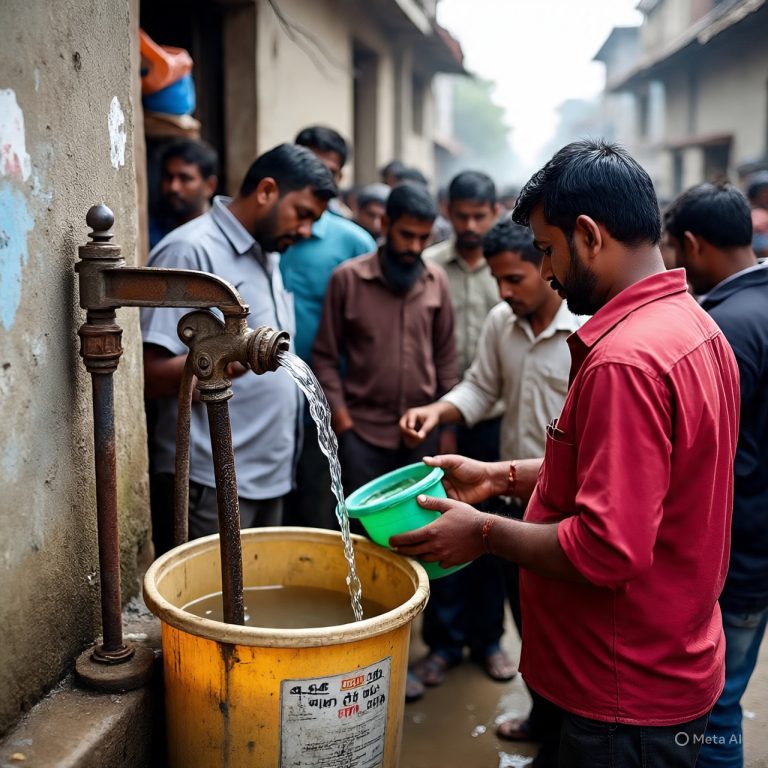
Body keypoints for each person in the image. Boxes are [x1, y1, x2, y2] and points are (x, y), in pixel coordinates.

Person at [390, 140, 740, 767]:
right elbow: (634, 480)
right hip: (667, 659)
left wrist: (486, 534)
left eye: (548, 251)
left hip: (622, 691)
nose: (546, 272)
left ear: (588, 235)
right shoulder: (694, 325)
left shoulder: (626, 360)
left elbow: (608, 547)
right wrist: (501, 476)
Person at [400, 216, 583, 724]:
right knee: (527, 614)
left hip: (568, 503)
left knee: (569, 626)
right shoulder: (504, 323)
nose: (504, 292)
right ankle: (543, 717)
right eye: (497, 281)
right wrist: (438, 410)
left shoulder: (586, 331)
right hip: (513, 496)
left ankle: (566, 730)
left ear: (546, 269)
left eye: (513, 279)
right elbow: (482, 387)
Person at [141, 143, 336, 555]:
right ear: (266, 190)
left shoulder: (270, 251)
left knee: (254, 608)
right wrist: (222, 357)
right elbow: (148, 375)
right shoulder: (191, 251)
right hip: (211, 482)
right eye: (301, 214)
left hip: (270, 475)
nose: (305, 231)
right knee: (210, 609)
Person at [664, 182, 768, 768]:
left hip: (740, 550)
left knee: (714, 709)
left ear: (692, 244)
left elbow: (705, 455)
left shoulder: (724, 328)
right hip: (761, 545)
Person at [407, 170, 508, 693]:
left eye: (479, 216)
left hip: (498, 430)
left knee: (492, 538)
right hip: (444, 419)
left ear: (495, 211)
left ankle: (488, 641)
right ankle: (443, 646)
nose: (469, 226)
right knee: (441, 536)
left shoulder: (512, 266)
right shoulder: (428, 267)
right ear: (448, 209)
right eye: (461, 215)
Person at [312, 179, 458, 514]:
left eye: (424, 238)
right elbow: (324, 358)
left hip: (423, 436)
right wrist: (344, 426)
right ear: (385, 224)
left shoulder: (436, 281)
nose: (414, 247)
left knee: (417, 529)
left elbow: (446, 361)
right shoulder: (347, 280)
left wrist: (447, 430)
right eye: (407, 235)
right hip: (361, 435)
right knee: (363, 532)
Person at [280, 126, 376, 531]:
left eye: (327, 172)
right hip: (261, 397)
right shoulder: (269, 232)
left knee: (317, 510)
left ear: (339, 179)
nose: (315, 178)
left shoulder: (354, 242)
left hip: (323, 400)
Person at [149, 138, 219, 248]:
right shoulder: (150, 233)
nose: (173, 187)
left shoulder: (219, 235)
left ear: (209, 186)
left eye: (185, 178)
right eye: (168, 177)